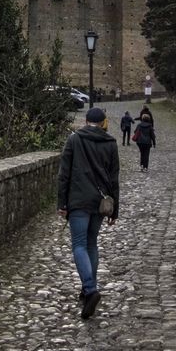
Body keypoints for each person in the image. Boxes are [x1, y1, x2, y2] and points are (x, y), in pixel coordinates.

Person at [57, 106, 119, 318]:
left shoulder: (74, 140)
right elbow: (114, 179)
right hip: (99, 202)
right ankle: (87, 289)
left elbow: (64, 174)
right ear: (103, 122)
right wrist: (114, 210)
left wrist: (61, 203)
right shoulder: (110, 143)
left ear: (85, 121)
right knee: (91, 244)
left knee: (79, 244)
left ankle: (90, 289)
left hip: (79, 200)